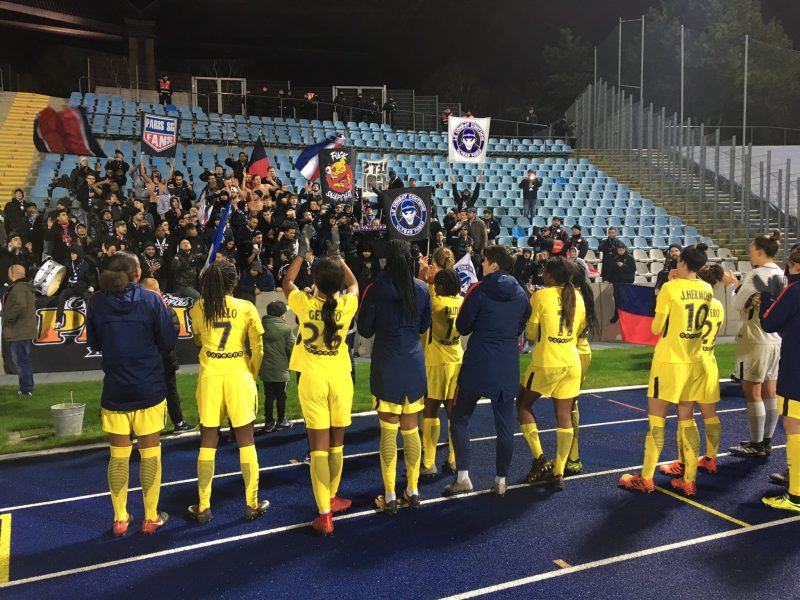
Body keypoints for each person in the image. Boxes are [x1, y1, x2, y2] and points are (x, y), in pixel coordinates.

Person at [86, 253, 177, 535]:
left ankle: (120, 519)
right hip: (148, 385)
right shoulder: (151, 299)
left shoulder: (97, 302)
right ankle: (151, 517)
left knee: (118, 455)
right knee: (150, 453)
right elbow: (167, 340)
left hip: (115, 388)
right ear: (137, 273)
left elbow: (94, 342)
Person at [619, 244, 713, 497]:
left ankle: (646, 477)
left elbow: (656, 327)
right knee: (687, 419)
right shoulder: (707, 288)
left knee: (657, 421)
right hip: (694, 361)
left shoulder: (670, 288)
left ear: (682, 263)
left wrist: (663, 291)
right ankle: (689, 480)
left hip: (669, 361)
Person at [444, 245, 531, 497]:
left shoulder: (478, 289)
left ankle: (463, 477)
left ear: (494, 264)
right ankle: (501, 481)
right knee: (505, 426)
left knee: (459, 417)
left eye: (484, 261)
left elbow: (462, 326)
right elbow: (522, 323)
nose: (481, 264)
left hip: (478, 362)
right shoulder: (521, 293)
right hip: (506, 363)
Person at [186, 261, 269, 524]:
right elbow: (258, 348)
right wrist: (251, 373)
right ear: (233, 283)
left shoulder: (198, 308)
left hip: (211, 376)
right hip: (239, 375)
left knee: (208, 441)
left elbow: (198, 339)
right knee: (246, 440)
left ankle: (203, 505)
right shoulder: (246, 307)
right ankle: (252, 502)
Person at [284, 251, 359, 535]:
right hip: (340, 379)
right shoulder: (347, 304)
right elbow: (354, 286)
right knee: (337, 445)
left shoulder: (303, 303)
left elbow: (288, 280)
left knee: (317, 448)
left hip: (313, 380)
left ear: (315, 281)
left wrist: (302, 256)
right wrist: (341, 259)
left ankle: (325, 514)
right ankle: (331, 496)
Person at [358, 240, 431, 514]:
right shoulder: (422, 289)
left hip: (387, 362)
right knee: (411, 428)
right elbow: (424, 326)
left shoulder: (375, 288)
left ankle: (389, 494)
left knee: (388, 430)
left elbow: (365, 330)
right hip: (413, 362)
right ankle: (412, 490)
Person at [516, 257, 586, 491]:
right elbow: (578, 331)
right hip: (571, 361)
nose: (542, 273)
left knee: (523, 404)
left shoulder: (542, 295)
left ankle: (539, 458)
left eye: (545, 270)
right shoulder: (578, 296)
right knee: (563, 416)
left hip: (547, 361)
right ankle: (558, 472)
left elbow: (531, 332)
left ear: (551, 275)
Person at [659, 264, 725, 478]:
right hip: (710, 363)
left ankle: (683, 463)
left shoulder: (693, 303)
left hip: (690, 363)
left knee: (685, 415)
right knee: (710, 415)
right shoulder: (719, 305)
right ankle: (711, 459)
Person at [728, 230, 785, 458]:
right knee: (770, 391)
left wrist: (733, 286)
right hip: (775, 338)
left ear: (760, 252)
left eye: (752, 250)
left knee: (752, 392)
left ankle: (756, 443)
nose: (749, 254)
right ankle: (767, 441)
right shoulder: (781, 274)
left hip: (754, 338)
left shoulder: (755, 275)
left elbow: (736, 304)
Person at [759, 245, 800, 512]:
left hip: (797, 366)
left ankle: (796, 493)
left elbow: (768, 322)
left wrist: (766, 296)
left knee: (794, 426)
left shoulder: (794, 289)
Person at [418, 260, 463, 477]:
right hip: (456, 358)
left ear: (441, 287)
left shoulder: (434, 303)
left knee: (431, 410)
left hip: (435, 360)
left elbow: (423, 296)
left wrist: (426, 277)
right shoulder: (462, 302)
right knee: (454, 412)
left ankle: (429, 462)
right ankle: (454, 459)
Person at [565, 267, 600, 475]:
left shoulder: (574, 298)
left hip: (574, 351)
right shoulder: (583, 295)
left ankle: (573, 456)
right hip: (583, 349)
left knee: (568, 405)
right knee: (571, 404)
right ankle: (572, 454)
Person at [260, 300, 295, 433]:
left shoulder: (261, 326)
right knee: (281, 395)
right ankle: (282, 420)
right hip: (281, 369)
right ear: (281, 315)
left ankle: (269, 422)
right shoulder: (286, 329)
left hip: (266, 368)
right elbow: (292, 348)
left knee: (268, 396)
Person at [3, 264, 36, 396]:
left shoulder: (18, 288)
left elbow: (20, 305)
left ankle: (26, 389)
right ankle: (27, 387)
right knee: (24, 360)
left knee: (21, 361)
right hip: (24, 330)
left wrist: (8, 318)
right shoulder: (25, 287)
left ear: (12, 274)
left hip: (19, 330)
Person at [54, 246, 95, 330]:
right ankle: (58, 321)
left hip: (82, 288)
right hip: (71, 288)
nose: (71, 255)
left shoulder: (85, 265)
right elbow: (59, 266)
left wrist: (92, 286)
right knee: (62, 295)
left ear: (79, 254)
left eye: (74, 254)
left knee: (88, 298)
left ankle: (91, 321)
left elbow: (91, 277)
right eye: (71, 254)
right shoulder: (68, 262)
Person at [606, 243, 635, 324]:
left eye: (621, 250)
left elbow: (633, 269)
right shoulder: (616, 258)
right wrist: (608, 279)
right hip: (617, 282)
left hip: (626, 282)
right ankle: (617, 314)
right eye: (618, 250)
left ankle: (627, 316)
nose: (620, 252)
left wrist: (623, 266)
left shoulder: (630, 258)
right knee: (617, 299)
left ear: (624, 249)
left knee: (625, 300)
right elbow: (612, 270)